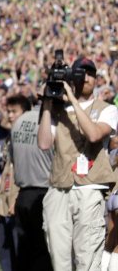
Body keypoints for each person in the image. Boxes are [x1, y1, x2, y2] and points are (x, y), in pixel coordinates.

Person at [38, 57, 116, 271]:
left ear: (97, 79)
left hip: (89, 187)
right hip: (59, 187)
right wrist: (47, 103)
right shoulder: (58, 110)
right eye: (81, 73)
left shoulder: (107, 109)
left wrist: (71, 98)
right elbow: (44, 143)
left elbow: (94, 135)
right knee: (59, 260)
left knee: (87, 258)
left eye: (90, 74)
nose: (86, 78)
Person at [0, 95, 31, 271]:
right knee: (5, 252)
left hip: (18, 198)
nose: (9, 115)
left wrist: (16, 199)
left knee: (19, 252)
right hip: (5, 199)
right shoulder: (10, 136)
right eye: (8, 111)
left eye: (14, 111)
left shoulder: (29, 138)